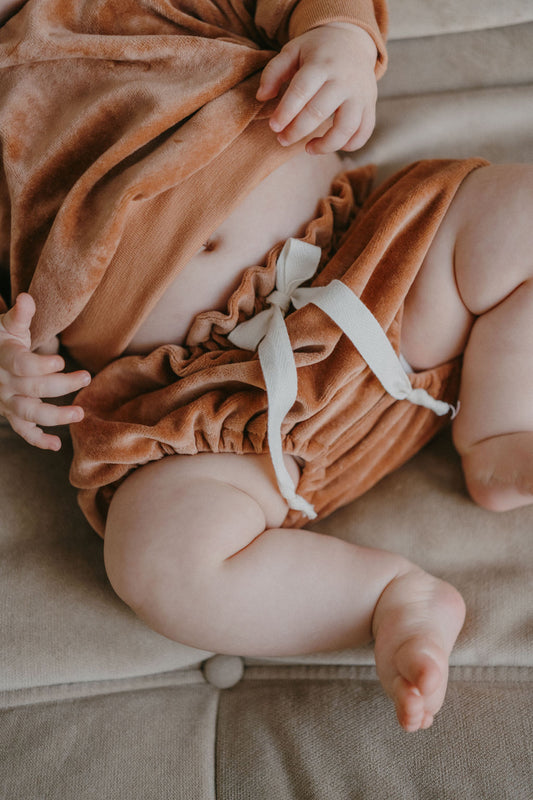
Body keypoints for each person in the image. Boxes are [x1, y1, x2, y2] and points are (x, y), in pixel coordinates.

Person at [1, 1, 531, 733]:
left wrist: (338, 39)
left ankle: (501, 431)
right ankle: (386, 598)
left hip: (373, 268)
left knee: (519, 216)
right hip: (204, 412)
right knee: (157, 561)